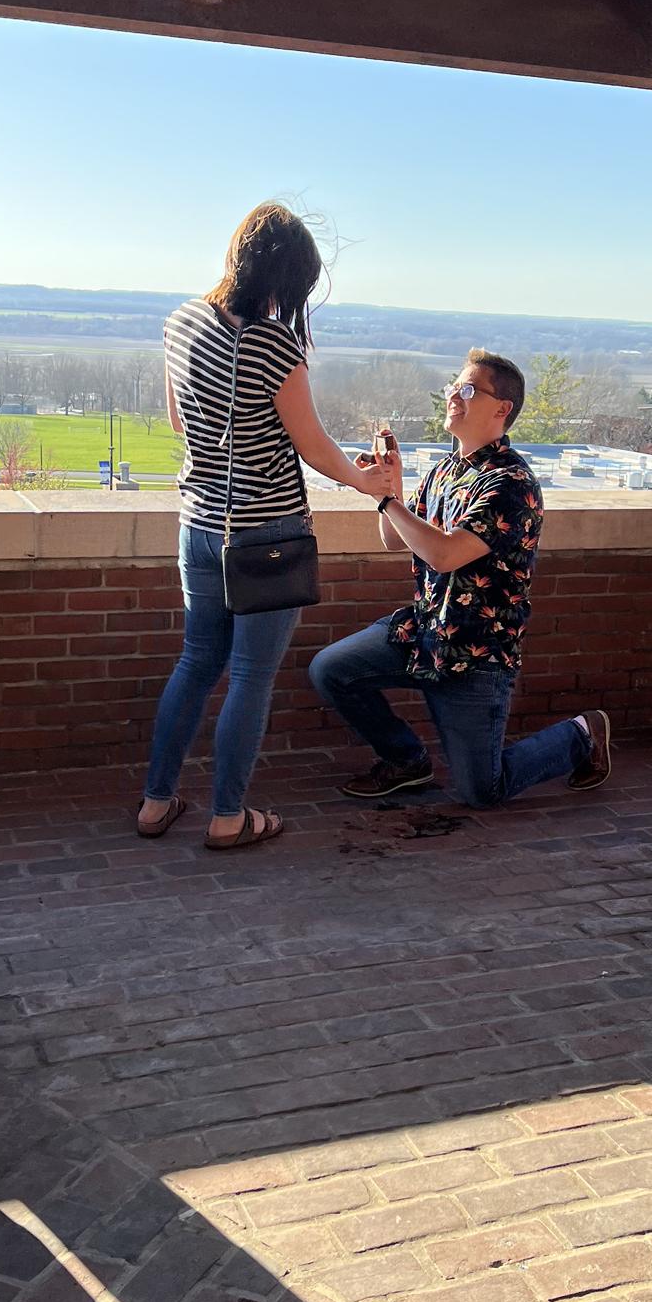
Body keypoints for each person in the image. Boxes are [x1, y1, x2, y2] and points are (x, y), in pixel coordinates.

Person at [136, 202, 391, 849]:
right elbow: (311, 445)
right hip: (267, 533)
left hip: (199, 521)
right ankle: (229, 814)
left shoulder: (181, 322)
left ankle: (155, 801)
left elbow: (178, 423)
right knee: (249, 675)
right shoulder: (273, 341)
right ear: (287, 276)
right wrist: (366, 481)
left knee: (196, 662)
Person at [310, 349, 611, 808]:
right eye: (455, 385)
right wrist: (391, 488)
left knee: (481, 792)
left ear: (501, 408)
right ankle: (406, 761)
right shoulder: (446, 471)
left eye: (468, 389)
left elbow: (446, 554)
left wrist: (385, 501)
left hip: (476, 651)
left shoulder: (511, 482)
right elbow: (397, 541)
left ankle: (582, 736)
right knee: (331, 670)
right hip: (424, 632)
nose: (453, 394)